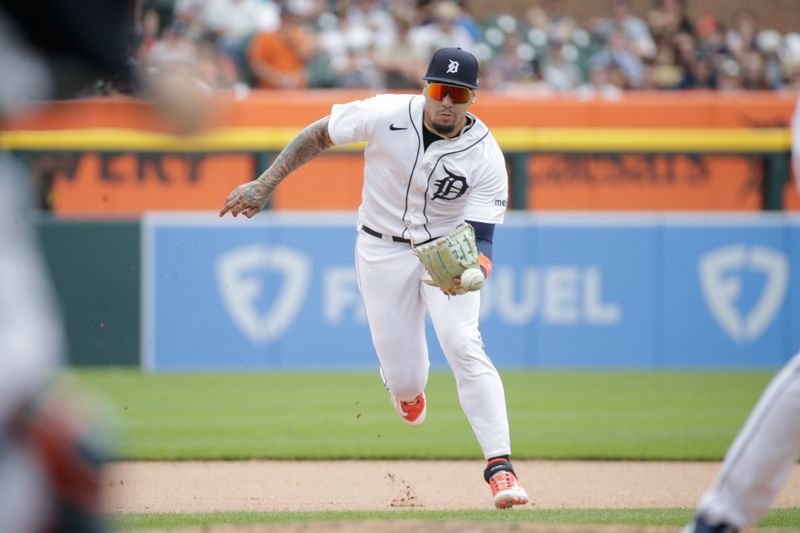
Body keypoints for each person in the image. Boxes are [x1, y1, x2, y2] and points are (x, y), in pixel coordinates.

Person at [219, 47, 528, 509]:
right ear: (425, 87)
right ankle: (405, 391)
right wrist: (265, 183)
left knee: (464, 343)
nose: (447, 101)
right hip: (380, 249)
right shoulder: (385, 113)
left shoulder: (484, 156)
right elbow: (318, 134)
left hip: (446, 252)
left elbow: (484, 238)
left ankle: (500, 469)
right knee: (406, 380)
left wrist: (475, 271)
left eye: (458, 94)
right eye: (439, 90)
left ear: (471, 99)